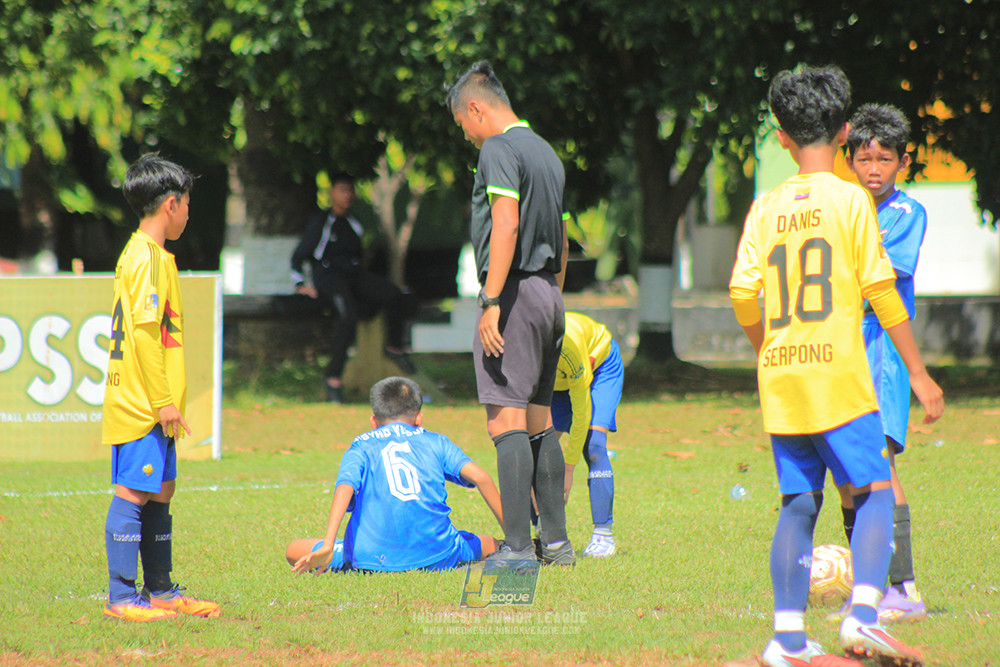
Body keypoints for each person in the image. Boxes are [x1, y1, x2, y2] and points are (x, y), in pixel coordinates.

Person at [729, 65, 943, 667]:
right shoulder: (851, 200)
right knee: (875, 491)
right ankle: (865, 615)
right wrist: (920, 373)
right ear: (846, 130)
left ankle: (788, 638)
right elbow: (881, 289)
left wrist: (766, 349)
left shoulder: (765, 206)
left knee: (799, 501)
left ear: (780, 136)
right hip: (838, 376)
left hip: (783, 374)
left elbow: (744, 295)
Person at [445, 61, 574, 568]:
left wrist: (493, 301)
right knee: (540, 420)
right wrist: (553, 296)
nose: (470, 138)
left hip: (514, 294)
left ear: (476, 108)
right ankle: (557, 545)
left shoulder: (498, 148)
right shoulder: (545, 151)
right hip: (548, 294)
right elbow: (562, 237)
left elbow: (505, 223)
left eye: (464, 126)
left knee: (505, 420)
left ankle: (519, 549)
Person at [101, 153, 220, 622]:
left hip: (153, 403)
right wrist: (164, 402)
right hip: (142, 404)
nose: (189, 213)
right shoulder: (145, 257)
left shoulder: (151, 255)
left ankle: (162, 591)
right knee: (133, 492)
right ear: (171, 203)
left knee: (162, 489)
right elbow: (148, 336)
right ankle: (121, 597)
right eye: (188, 203)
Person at [833, 103, 929, 624]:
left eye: (885, 159)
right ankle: (865, 583)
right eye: (865, 158)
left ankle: (903, 585)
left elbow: (878, 276)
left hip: (883, 352)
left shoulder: (906, 213)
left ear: (903, 163)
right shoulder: (844, 207)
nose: (874, 169)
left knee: (880, 464)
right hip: (840, 349)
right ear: (848, 159)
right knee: (846, 471)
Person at [288, 376, 504, 573]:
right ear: (419, 418)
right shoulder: (436, 441)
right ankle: (522, 545)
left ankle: (340, 555)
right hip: (439, 555)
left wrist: (328, 543)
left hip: (371, 558)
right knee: (489, 543)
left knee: (294, 549)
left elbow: (345, 485)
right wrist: (516, 541)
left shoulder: (361, 445)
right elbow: (481, 478)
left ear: (373, 421)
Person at [290, 173, 415, 403]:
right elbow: (299, 256)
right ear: (331, 193)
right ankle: (333, 378)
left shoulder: (354, 223)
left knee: (396, 295)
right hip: (329, 278)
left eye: (350, 190)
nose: (347, 195)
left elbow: (359, 260)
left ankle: (395, 348)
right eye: (342, 190)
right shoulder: (321, 222)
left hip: (353, 276)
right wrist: (301, 285)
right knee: (347, 317)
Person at [551, 312, 623, 558]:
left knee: (593, 446)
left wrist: (568, 469)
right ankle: (544, 531)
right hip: (557, 381)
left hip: (599, 367)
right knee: (538, 447)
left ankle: (603, 536)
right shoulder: (520, 349)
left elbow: (581, 414)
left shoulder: (568, 346)